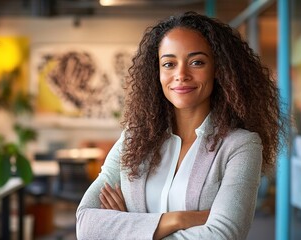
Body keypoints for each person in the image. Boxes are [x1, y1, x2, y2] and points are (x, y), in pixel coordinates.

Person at [76, 11, 281, 240]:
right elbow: (85, 224)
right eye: (169, 64)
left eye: (197, 62)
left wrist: (127, 228)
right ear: (157, 72)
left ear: (218, 69)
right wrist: (178, 219)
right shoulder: (134, 139)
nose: (181, 74)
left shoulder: (241, 146)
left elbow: (222, 235)